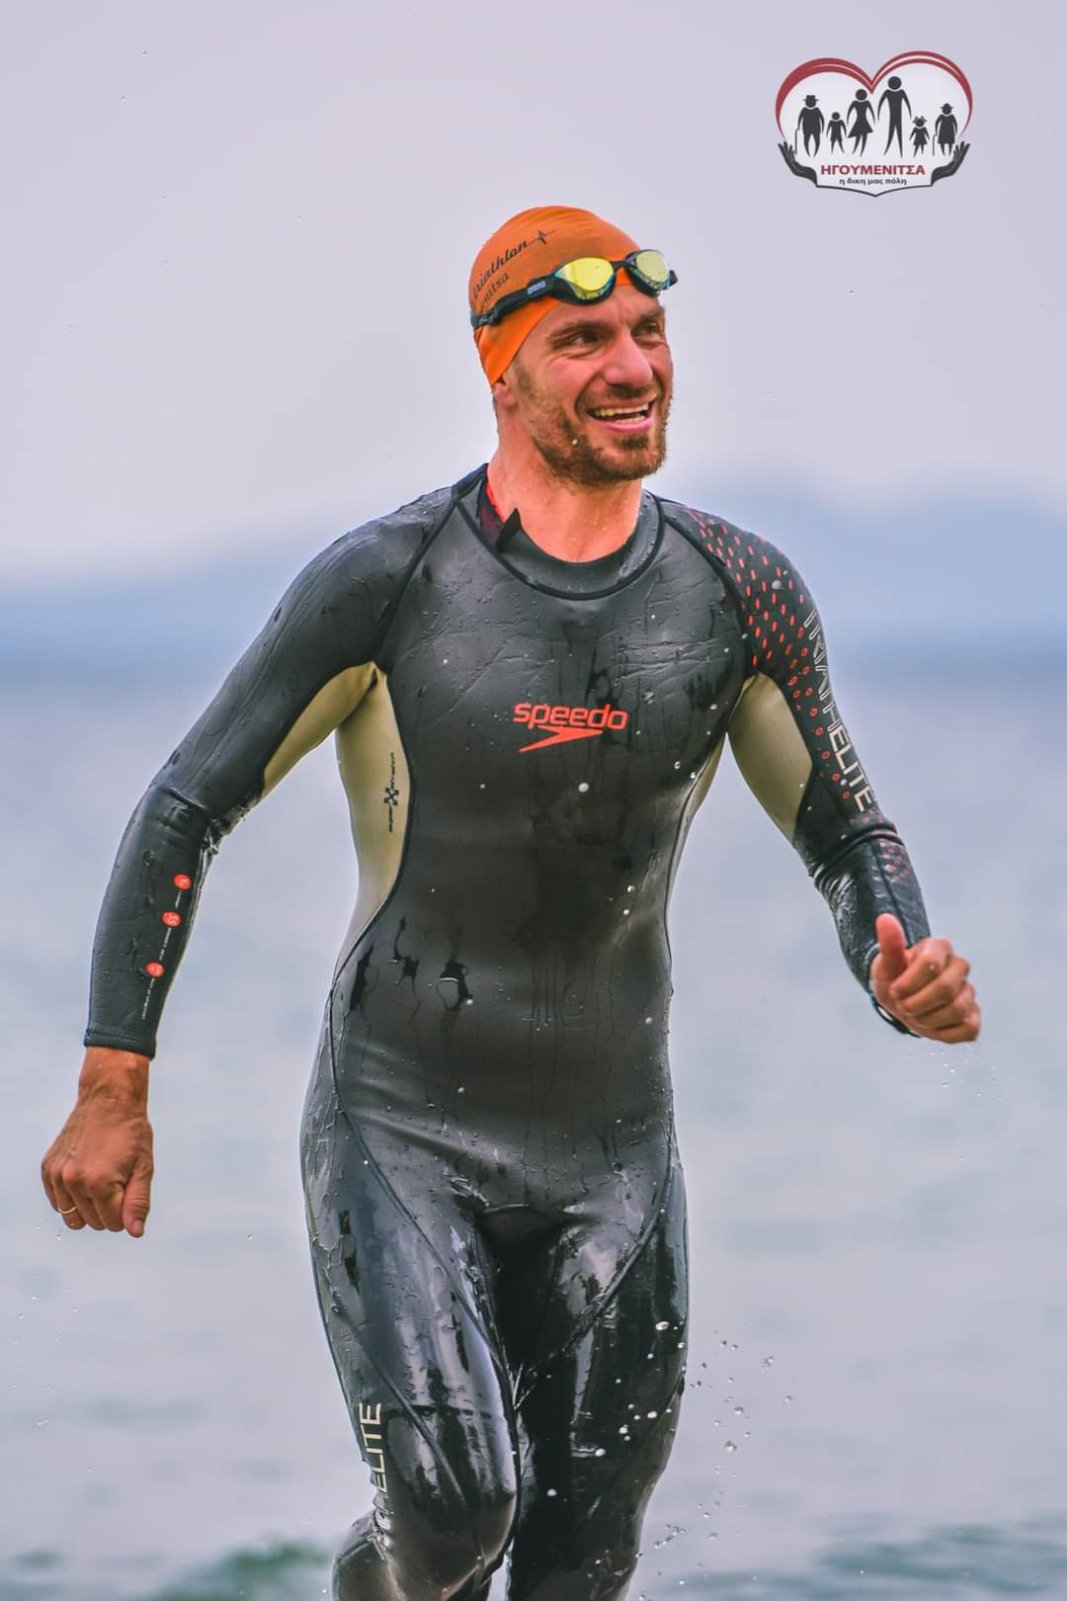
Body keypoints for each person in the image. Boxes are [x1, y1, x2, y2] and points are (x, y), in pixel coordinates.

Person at [41, 205, 980, 1601]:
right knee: (450, 1513)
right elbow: (187, 803)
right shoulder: (389, 584)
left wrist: (894, 964)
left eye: (648, 331)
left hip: (617, 1156)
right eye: (583, 338)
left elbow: (848, 834)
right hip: (401, 1130)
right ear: (501, 368)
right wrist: (113, 1081)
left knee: (580, 1563)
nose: (633, 365)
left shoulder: (740, 594)